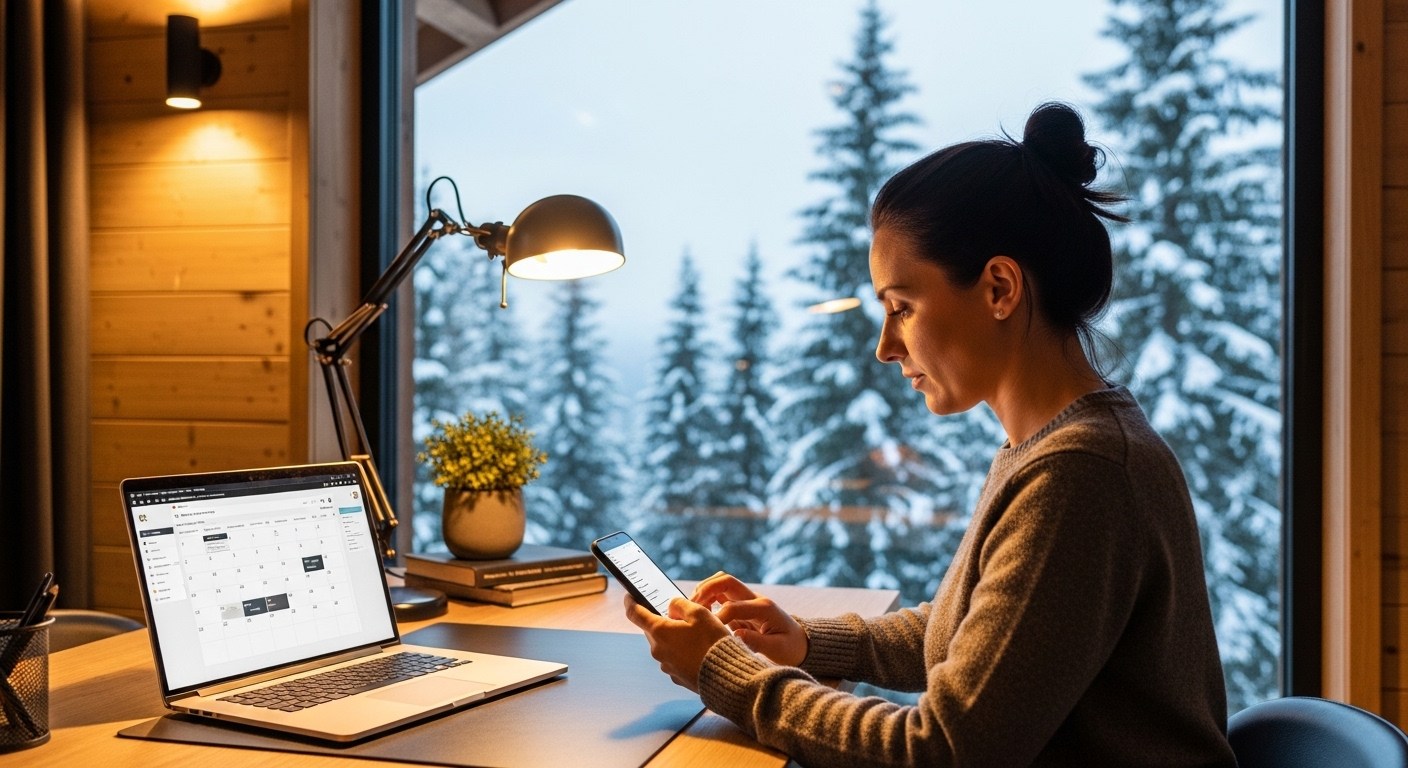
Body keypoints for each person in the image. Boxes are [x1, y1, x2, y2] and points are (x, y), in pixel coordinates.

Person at [623, 102, 1237, 766]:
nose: (886, 346)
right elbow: (980, 639)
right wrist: (805, 640)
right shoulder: (1049, 446)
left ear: (1000, 288)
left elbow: (944, 751)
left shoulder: (1080, 472)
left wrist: (725, 672)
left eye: (902, 307)